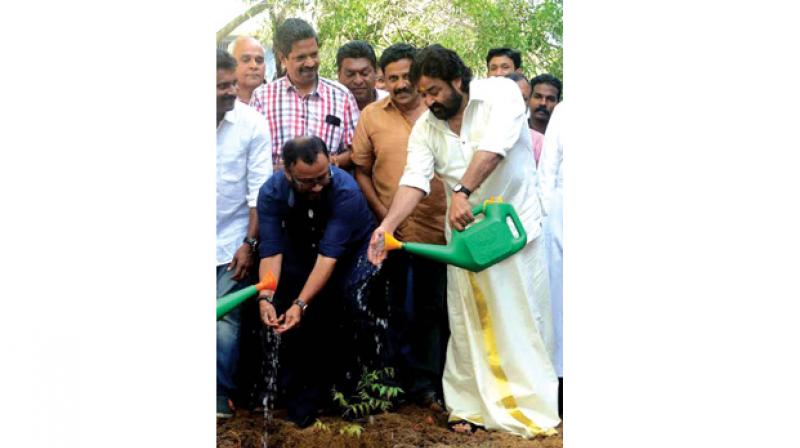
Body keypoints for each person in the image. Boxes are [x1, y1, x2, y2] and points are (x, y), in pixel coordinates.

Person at [367, 45, 559, 438]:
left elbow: (495, 149)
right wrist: (385, 227)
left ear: (458, 81)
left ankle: (528, 408)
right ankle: (469, 405)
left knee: (521, 319)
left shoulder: (500, 94)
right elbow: (414, 179)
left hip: (513, 231)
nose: (428, 101)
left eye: (434, 91)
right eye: (424, 94)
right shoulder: (427, 126)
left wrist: (461, 191)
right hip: (468, 243)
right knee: (468, 320)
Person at [255, 136, 391, 428]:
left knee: (347, 304)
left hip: (352, 250)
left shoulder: (345, 190)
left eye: (322, 177)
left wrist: (301, 303)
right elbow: (271, 249)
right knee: (291, 316)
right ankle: (300, 403)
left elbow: (329, 257)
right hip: (303, 247)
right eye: (308, 182)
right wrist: (266, 296)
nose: (317, 186)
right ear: (287, 171)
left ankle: (355, 395)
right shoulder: (271, 191)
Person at [351, 43, 449, 408]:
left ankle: (428, 386)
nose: (400, 84)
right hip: (388, 233)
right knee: (389, 309)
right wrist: (381, 214)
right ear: (384, 79)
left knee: (432, 310)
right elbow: (360, 168)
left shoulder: (439, 111)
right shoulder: (372, 116)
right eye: (392, 78)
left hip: (436, 231)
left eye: (407, 76)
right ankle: (389, 384)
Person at [216, 48, 272, 418]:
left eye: (232, 83)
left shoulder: (252, 123)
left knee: (224, 320)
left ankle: (217, 396)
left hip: (231, 242)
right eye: (221, 86)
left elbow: (258, 190)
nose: (231, 92)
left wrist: (249, 243)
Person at [250, 18, 360, 172]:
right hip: (279, 189)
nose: (310, 63)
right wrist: (281, 170)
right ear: (283, 58)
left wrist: (328, 163)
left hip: (327, 189)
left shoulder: (342, 96)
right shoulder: (262, 98)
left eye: (314, 55)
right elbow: (251, 155)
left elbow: (355, 151)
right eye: (301, 57)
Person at [537, 101, 565, 418]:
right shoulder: (565, 112)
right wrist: (544, 222)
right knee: (560, 307)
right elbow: (546, 173)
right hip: (560, 220)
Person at [336, 40, 389, 111]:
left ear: (375, 72)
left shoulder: (392, 104)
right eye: (350, 74)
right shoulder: (330, 107)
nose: (358, 81)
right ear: (339, 75)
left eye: (364, 73)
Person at [506, 72, 544, 166]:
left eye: (524, 98)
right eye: (513, 97)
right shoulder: (479, 134)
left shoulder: (538, 142)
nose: (519, 103)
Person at [228, 36, 266, 104]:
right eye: (246, 60)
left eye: (259, 60)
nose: (254, 66)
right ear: (230, 64)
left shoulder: (277, 99)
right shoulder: (220, 102)